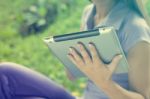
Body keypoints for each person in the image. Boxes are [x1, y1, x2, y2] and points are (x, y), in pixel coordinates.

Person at [0, 0, 150, 99]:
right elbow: (72, 74)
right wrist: (73, 61)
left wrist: (105, 83)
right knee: (5, 74)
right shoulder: (89, 12)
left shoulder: (134, 28)